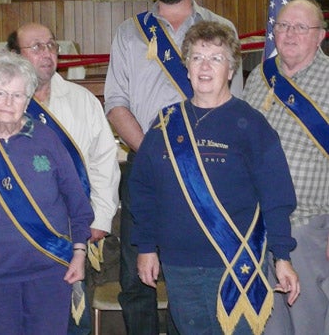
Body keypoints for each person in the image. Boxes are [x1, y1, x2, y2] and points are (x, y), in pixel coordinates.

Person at [104, 0, 243, 334]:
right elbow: (115, 103)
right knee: (135, 280)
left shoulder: (220, 28)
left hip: (209, 171)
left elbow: (236, 108)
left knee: (196, 270)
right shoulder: (129, 33)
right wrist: (155, 156)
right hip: (145, 168)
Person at [129, 20, 300, 335]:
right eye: (196, 58)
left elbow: (276, 197)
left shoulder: (251, 124)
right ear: (187, 67)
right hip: (179, 266)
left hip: (238, 264)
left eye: (216, 58)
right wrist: (146, 246)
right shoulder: (165, 124)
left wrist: (282, 257)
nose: (204, 66)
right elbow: (143, 192)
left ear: (232, 69)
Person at [0, 22, 121, 334]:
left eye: (51, 45)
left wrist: (98, 221)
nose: (47, 53)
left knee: (75, 323)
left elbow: (102, 163)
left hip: (62, 248)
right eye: (36, 47)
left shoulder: (81, 101)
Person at [243, 0, 329, 335]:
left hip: (306, 228)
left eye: (300, 27)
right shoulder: (259, 79)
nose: (289, 34)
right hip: (257, 228)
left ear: (320, 36)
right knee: (268, 322)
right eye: (282, 26)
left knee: (308, 321)